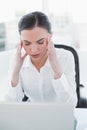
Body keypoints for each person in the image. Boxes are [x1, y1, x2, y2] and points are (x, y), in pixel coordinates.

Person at [7, 11, 77, 107]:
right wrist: (16, 70)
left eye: (40, 42)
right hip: (32, 115)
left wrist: (56, 66)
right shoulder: (17, 60)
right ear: (20, 41)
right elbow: (11, 104)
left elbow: (71, 104)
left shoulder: (66, 57)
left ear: (50, 37)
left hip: (59, 115)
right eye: (27, 43)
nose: (33, 50)